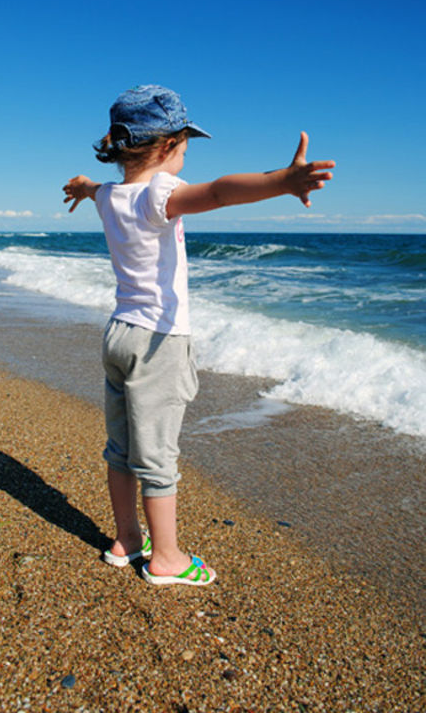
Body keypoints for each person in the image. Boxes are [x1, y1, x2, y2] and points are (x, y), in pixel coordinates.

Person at [62, 84, 334, 587]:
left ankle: (127, 539)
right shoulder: (159, 195)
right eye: (185, 148)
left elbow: (95, 187)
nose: (185, 158)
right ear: (168, 145)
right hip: (158, 343)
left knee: (120, 449)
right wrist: (282, 181)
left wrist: (83, 186)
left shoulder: (111, 196)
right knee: (157, 455)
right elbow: (219, 192)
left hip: (119, 334)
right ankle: (166, 558)